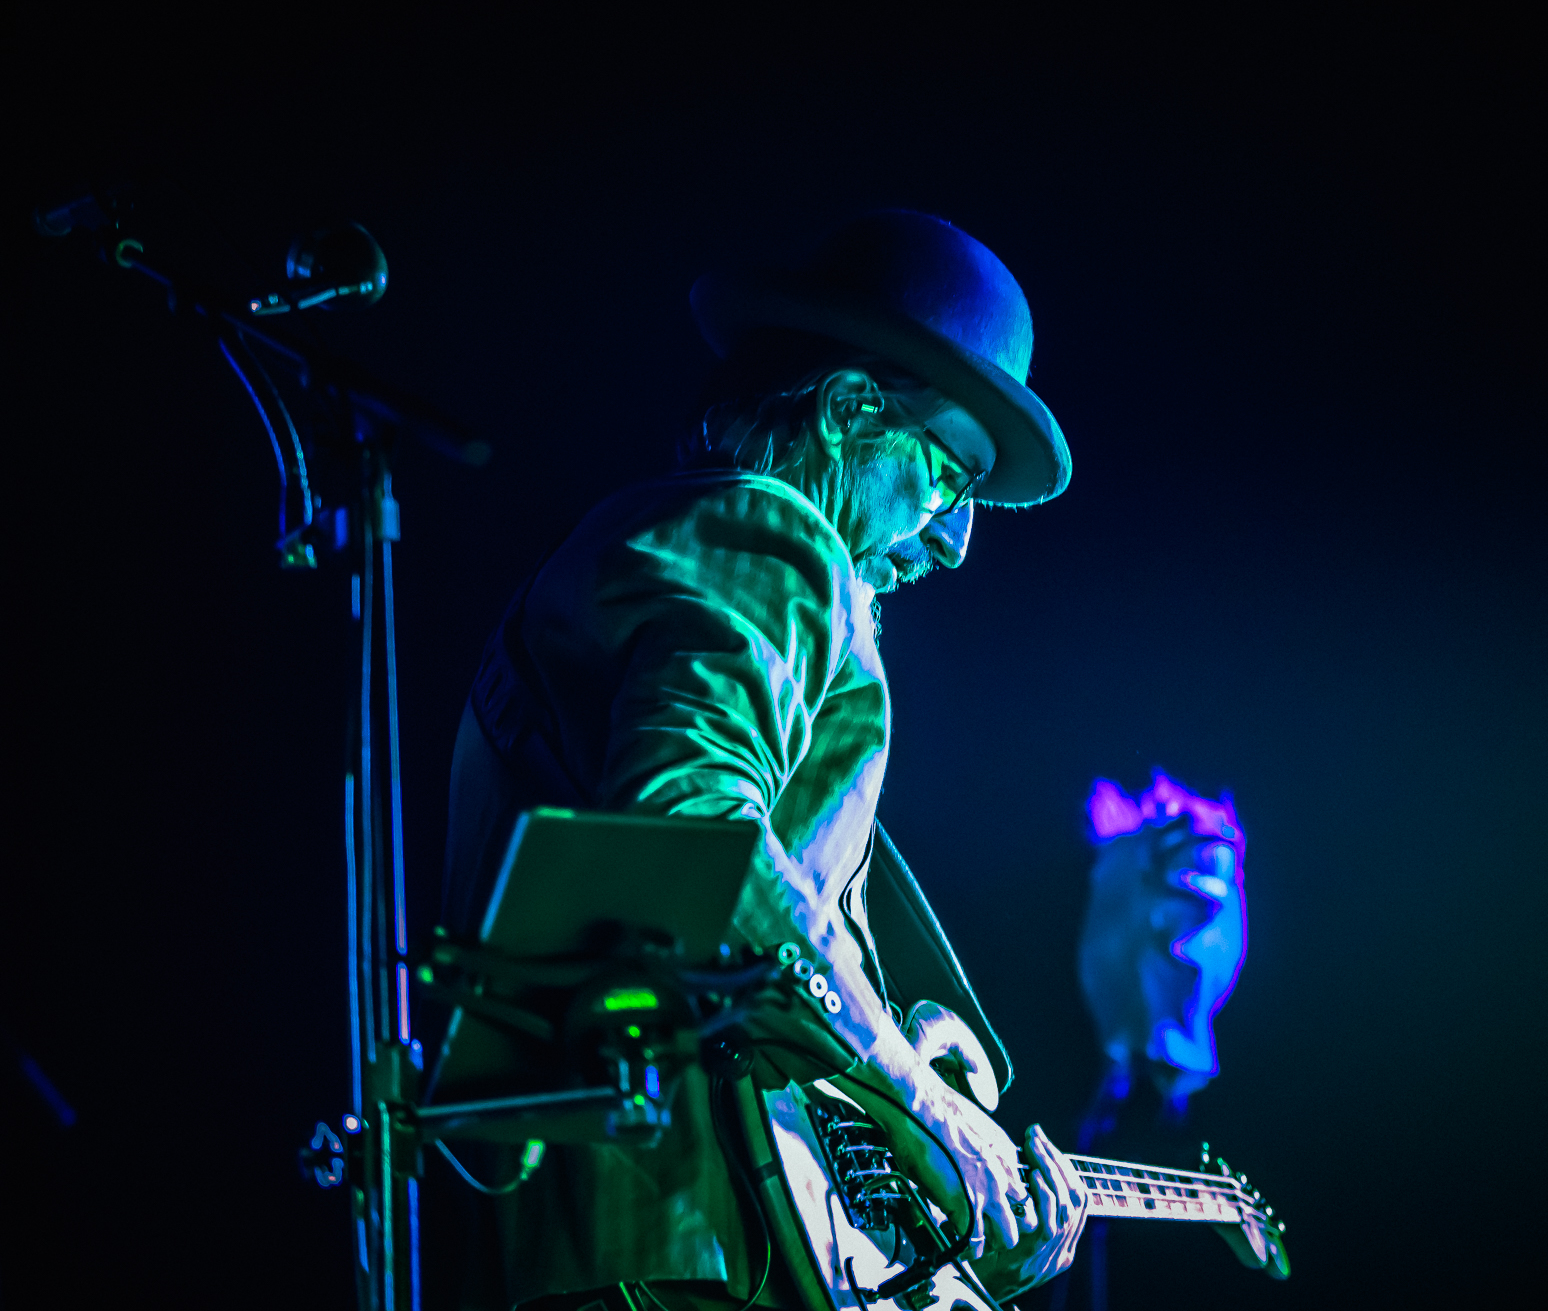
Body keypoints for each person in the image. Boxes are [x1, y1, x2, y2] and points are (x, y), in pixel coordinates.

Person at [438, 211, 1088, 1309]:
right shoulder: (766, 532)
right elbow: (690, 832)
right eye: (944, 477)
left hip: (615, 1236)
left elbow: (717, 935)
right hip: (684, 1234)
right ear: (845, 413)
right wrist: (926, 1114)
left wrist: (934, 1180)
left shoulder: (652, 544)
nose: (951, 540)